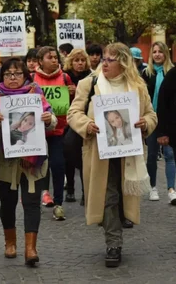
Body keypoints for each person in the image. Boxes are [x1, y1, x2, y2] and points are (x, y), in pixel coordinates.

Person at [68, 42, 156, 267]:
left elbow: (150, 114)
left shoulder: (137, 86)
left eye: (109, 60)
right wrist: (87, 125)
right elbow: (74, 112)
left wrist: (145, 123)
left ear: (123, 63)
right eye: (103, 59)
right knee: (109, 197)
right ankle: (113, 244)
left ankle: (116, 227)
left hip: (129, 153)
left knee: (121, 198)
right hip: (99, 153)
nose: (103, 63)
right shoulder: (90, 83)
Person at [0, 57, 57, 264]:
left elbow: (51, 118)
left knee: (32, 202)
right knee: (7, 203)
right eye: (8, 74)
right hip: (7, 162)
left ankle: (31, 249)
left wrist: (47, 119)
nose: (13, 78)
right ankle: (10, 243)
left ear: (26, 76)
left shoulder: (36, 94)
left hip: (33, 161)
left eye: (17, 73)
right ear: (2, 77)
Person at [33, 46, 75, 220]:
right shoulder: (31, 79)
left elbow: (72, 103)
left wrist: (73, 92)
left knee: (58, 165)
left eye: (56, 57)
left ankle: (58, 203)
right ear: (40, 61)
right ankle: (41, 195)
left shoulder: (65, 77)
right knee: (38, 165)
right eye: (49, 57)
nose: (54, 60)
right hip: (37, 131)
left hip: (59, 129)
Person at [142, 41, 175, 202]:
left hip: (168, 120)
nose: (157, 54)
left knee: (170, 155)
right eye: (154, 52)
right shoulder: (147, 73)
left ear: (165, 54)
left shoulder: (172, 73)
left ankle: (171, 189)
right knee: (152, 155)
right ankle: (152, 186)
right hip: (151, 118)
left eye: (160, 52)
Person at [63, 49, 92, 204]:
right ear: (71, 62)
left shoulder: (91, 77)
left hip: (85, 121)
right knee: (69, 156)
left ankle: (85, 192)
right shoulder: (64, 76)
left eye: (82, 60)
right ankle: (71, 190)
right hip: (67, 121)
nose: (80, 63)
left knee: (84, 159)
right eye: (76, 60)